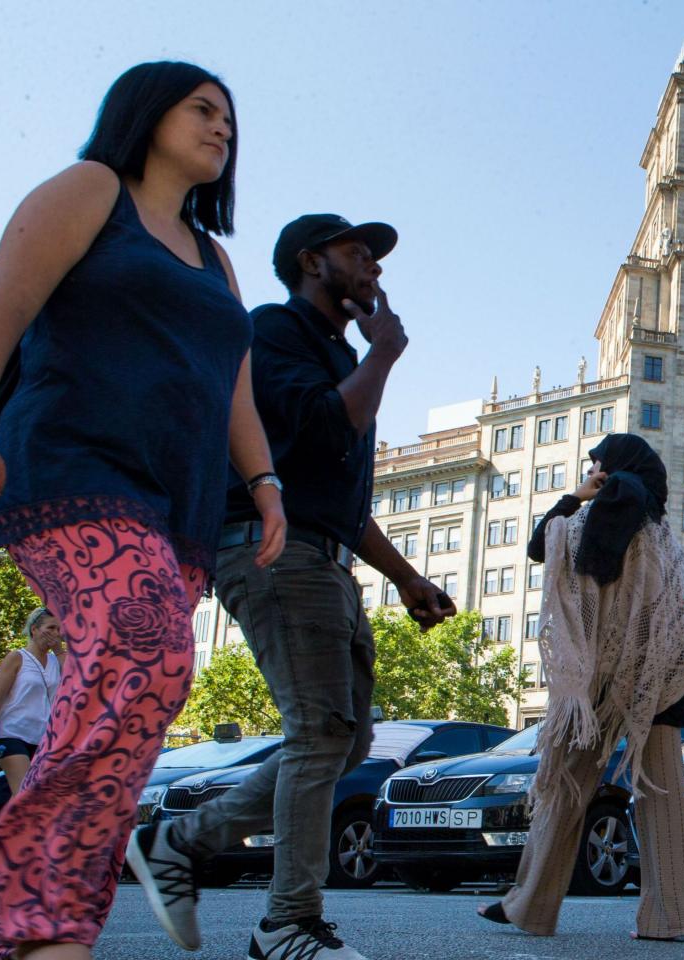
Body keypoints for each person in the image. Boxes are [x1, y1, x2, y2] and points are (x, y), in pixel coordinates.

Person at [0, 60, 284, 960]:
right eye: (202, 109)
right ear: (146, 113)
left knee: (143, 682)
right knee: (142, 651)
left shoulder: (213, 257)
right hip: (71, 468)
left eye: (230, 118)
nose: (223, 128)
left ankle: (36, 919)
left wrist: (265, 483)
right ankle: (40, 919)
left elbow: (234, 385)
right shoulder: (91, 191)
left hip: (173, 502)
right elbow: (0, 304)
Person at [126, 213, 450, 960]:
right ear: (311, 261)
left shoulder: (340, 355)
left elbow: (337, 495)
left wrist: (406, 578)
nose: (373, 268)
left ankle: (180, 841)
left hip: (324, 556)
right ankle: (288, 923)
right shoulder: (273, 330)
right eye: (357, 253)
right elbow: (323, 427)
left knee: (345, 739)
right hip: (276, 551)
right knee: (319, 733)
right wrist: (386, 352)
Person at [478, 434, 684, 942]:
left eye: (596, 461)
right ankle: (676, 919)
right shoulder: (665, 535)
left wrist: (578, 498)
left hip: (603, 676)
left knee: (564, 784)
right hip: (660, 675)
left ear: (614, 466)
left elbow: (552, 550)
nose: (593, 468)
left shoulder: (615, 499)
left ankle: (532, 906)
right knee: (662, 792)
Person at [0, 609, 64, 793]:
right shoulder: (17, 658)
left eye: (59, 629)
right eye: (51, 628)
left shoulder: (55, 660)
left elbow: (74, 680)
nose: (56, 634)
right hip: (11, 734)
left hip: (42, 738)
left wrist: (59, 650)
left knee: (35, 797)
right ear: (34, 629)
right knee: (24, 793)